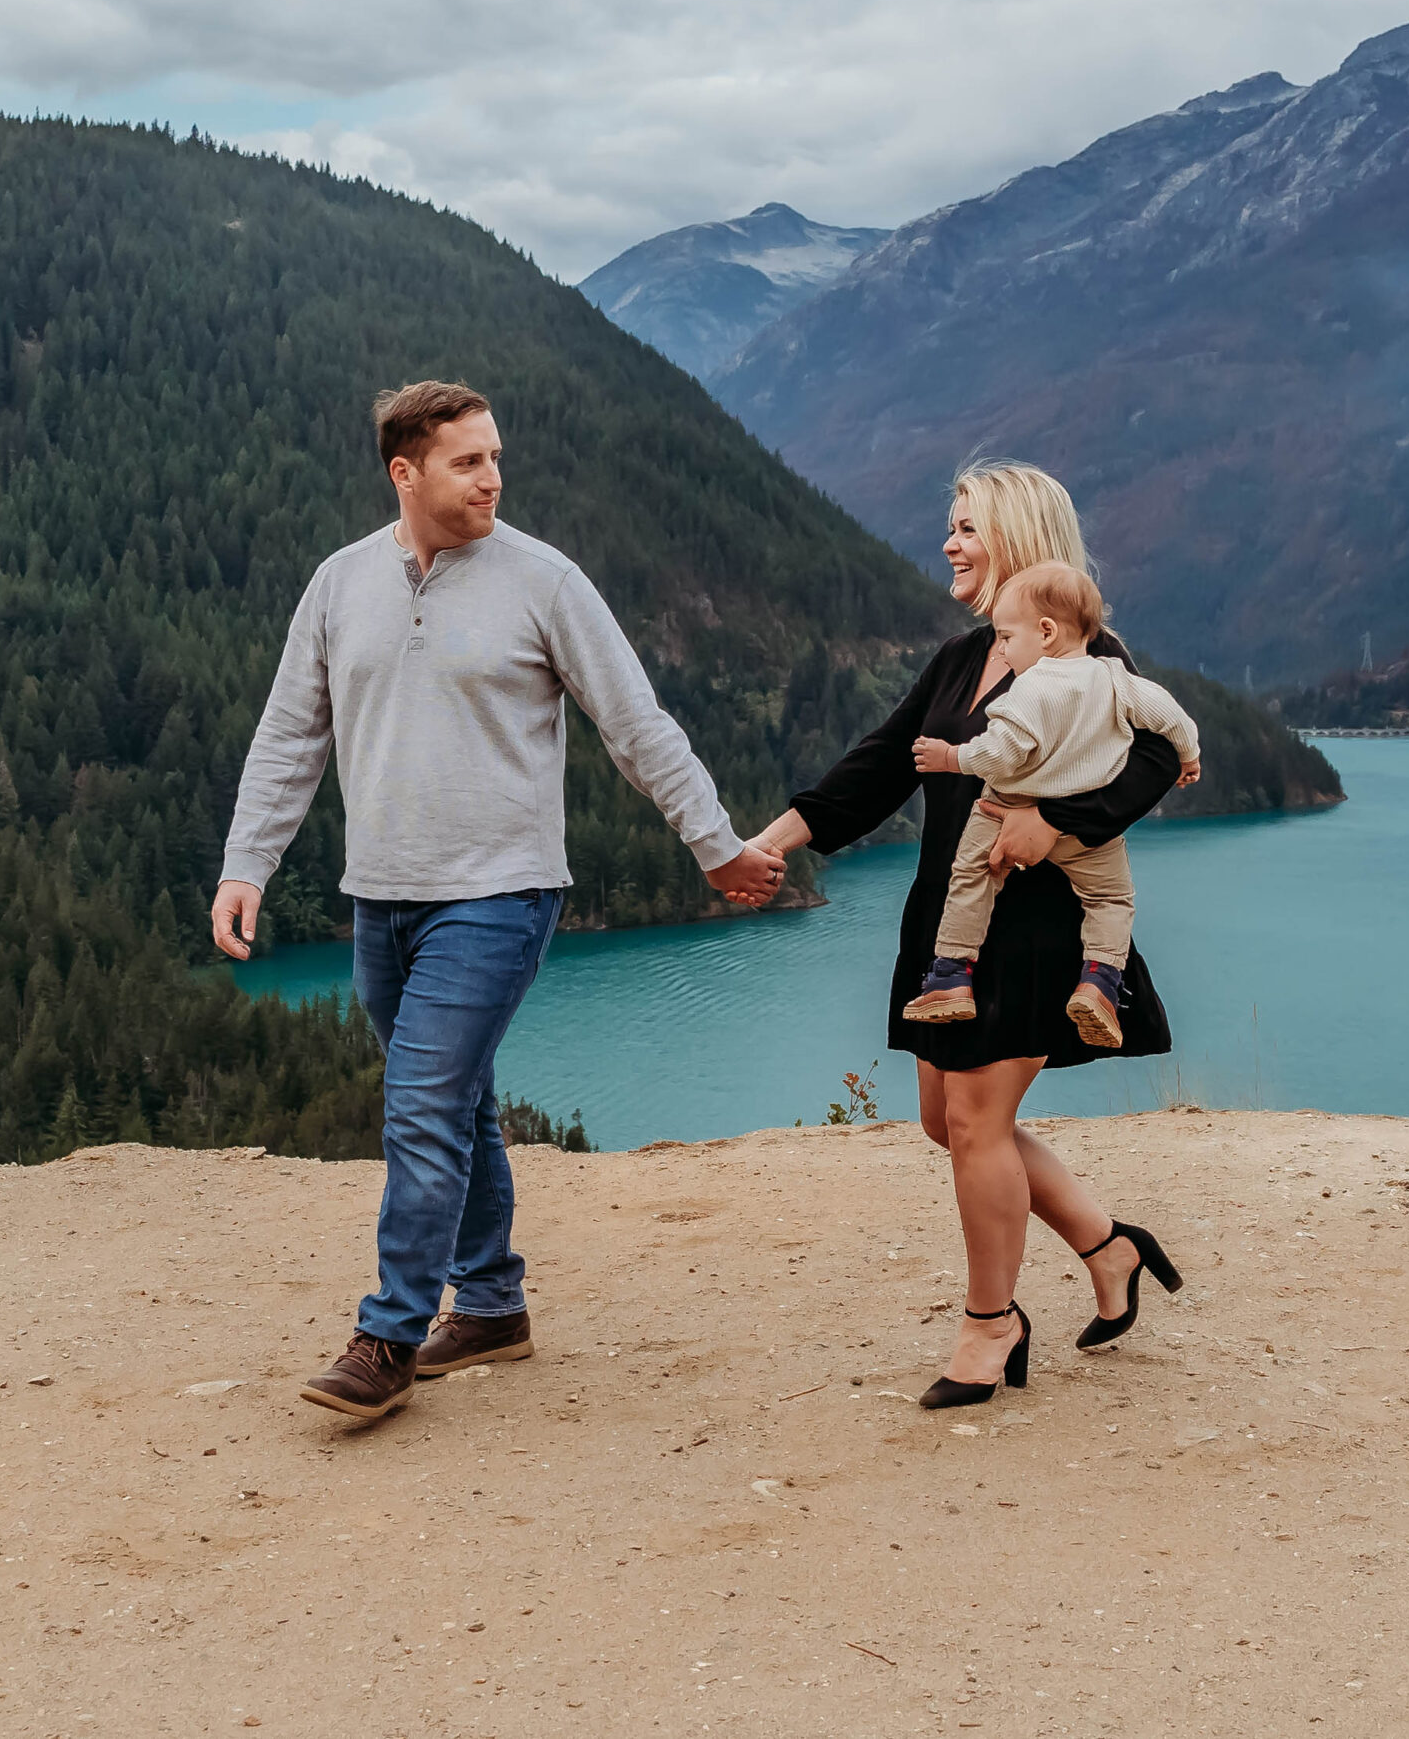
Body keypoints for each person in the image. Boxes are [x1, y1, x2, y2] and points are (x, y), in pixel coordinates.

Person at [211, 379, 785, 1424]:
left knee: (421, 1105)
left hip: (500, 892)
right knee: (457, 1098)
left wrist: (714, 844)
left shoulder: (543, 581)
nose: (492, 477)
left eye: (495, 456)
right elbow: (292, 734)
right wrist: (247, 863)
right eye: (467, 461)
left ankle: (386, 1338)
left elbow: (635, 725)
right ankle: (490, 1306)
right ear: (406, 471)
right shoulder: (340, 585)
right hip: (380, 897)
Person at [746, 461, 1185, 1411]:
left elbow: (1159, 759)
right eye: (950, 524)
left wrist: (1060, 828)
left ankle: (993, 1327)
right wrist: (772, 843)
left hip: (1038, 927)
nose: (948, 541)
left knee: (980, 1124)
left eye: (968, 526)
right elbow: (876, 765)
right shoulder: (963, 655)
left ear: (1019, 536)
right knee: (945, 1125)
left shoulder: (1089, 654)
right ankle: (1111, 1248)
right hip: (948, 920)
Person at [905, 560, 1201, 1049]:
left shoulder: (1030, 689)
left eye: (1005, 637)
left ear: (1045, 632)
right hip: (1084, 826)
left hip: (1004, 811)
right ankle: (1101, 983)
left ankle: (951, 976)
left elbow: (999, 754)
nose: (1000, 649)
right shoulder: (1114, 678)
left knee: (972, 878)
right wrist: (1188, 756)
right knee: (1110, 900)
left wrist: (952, 757)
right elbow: (1172, 717)